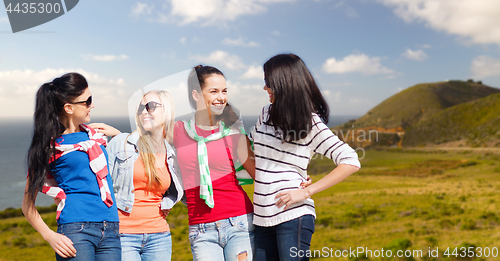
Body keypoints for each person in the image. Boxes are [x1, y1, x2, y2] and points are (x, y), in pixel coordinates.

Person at [250, 54, 361, 261]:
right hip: (262, 218)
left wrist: (307, 191)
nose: (265, 88)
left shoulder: (310, 122)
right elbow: (249, 150)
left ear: (284, 83)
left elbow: (350, 160)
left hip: (293, 216)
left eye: (268, 83)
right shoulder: (265, 113)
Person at [22, 72, 121, 261]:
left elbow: (134, 162)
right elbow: (27, 206)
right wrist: (50, 236)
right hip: (76, 230)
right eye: (87, 101)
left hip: (111, 229)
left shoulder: (97, 137)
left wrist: (118, 135)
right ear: (68, 108)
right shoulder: (49, 146)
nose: (92, 105)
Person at [172, 65, 256, 261]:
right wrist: (118, 135)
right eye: (214, 91)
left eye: (224, 91)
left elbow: (259, 173)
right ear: (196, 95)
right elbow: (147, 139)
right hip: (201, 231)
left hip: (239, 222)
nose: (221, 97)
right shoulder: (178, 130)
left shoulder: (233, 131)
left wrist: (296, 181)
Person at [90, 90, 184, 261]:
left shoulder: (171, 154)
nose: (144, 111)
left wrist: (168, 202)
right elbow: (100, 185)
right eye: (141, 107)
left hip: (159, 236)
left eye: (151, 106)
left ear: (167, 111)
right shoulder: (121, 143)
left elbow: (178, 190)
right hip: (123, 234)